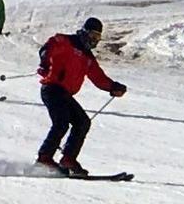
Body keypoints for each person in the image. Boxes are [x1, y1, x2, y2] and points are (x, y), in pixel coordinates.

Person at [34, 17, 127, 176]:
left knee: (82, 122)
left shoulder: (87, 57)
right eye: (92, 35)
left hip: (64, 94)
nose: (94, 40)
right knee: (61, 123)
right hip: (52, 89)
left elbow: (98, 77)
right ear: (84, 32)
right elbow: (47, 48)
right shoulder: (66, 41)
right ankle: (44, 158)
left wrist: (113, 87)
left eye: (97, 37)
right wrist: (45, 63)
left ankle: (68, 159)